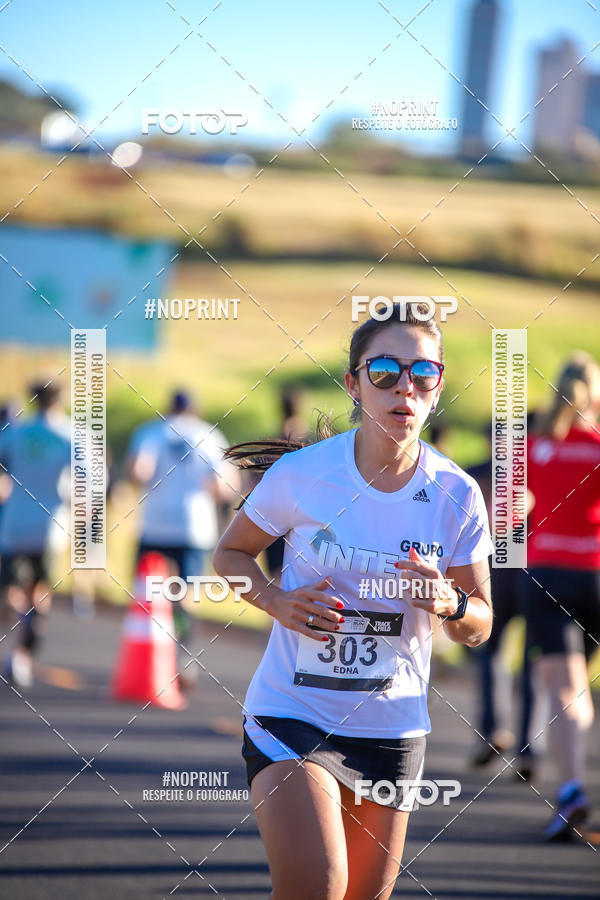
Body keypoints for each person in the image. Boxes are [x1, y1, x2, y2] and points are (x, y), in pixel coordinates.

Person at [213, 304, 493, 900]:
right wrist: (277, 601)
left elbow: (480, 624)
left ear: (438, 387)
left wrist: (447, 601)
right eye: (386, 370)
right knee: (319, 886)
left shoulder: (456, 493)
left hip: (393, 729)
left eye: (424, 373)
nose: (405, 388)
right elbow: (229, 557)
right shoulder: (304, 473)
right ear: (354, 382)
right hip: (293, 712)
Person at [524, 352, 600, 841]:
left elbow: (510, 515)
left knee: (563, 687)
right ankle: (573, 788)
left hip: (546, 571)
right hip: (594, 572)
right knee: (581, 686)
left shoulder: (533, 446)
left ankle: (571, 788)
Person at [126, 390, 239, 644]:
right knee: (186, 594)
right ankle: (183, 649)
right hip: (194, 525)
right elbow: (225, 486)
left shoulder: (150, 432)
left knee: (148, 591)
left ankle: (153, 647)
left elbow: (138, 471)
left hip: (155, 523)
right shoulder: (208, 434)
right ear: (194, 409)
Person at [467, 422, 535, 780]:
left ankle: (495, 731)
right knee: (531, 661)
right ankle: (528, 748)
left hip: (493, 573)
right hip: (532, 572)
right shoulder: (534, 472)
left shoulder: (476, 474)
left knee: (490, 652)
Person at [0, 382, 70, 688]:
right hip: (50, 525)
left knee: (11, 590)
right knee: (39, 592)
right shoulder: (69, 435)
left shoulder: (15, 433)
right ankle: (24, 653)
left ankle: (22, 627)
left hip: (15, 522)